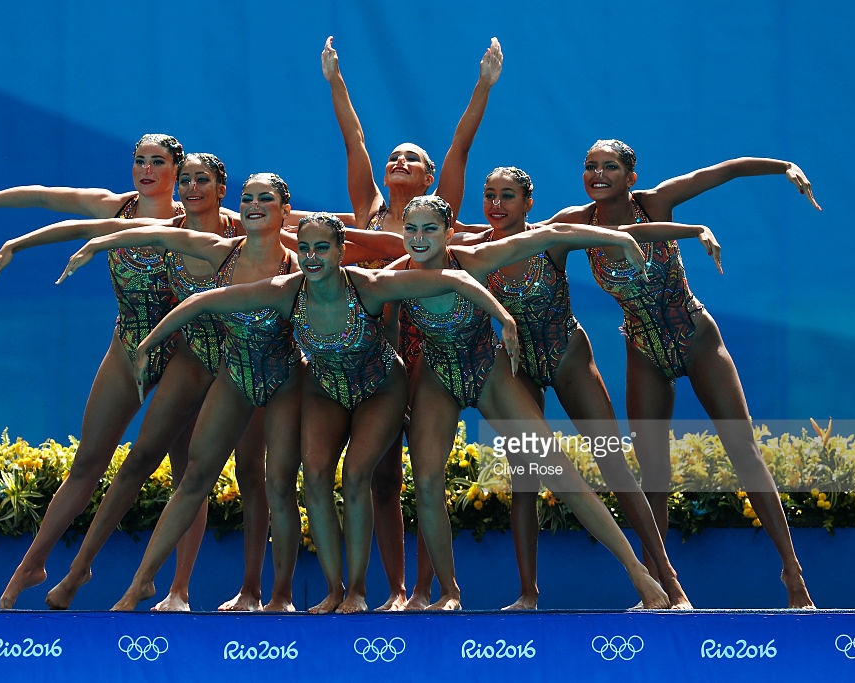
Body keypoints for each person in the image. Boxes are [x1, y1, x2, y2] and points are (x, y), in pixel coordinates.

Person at [545, 139, 820, 608]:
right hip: (643, 348)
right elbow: (514, 237)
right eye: (590, 166)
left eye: (610, 166)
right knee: (653, 472)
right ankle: (661, 586)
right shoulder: (577, 222)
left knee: (744, 452)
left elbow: (728, 167)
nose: (598, 174)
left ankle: (792, 573)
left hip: (695, 338)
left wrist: (785, 166)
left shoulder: (656, 202)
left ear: (631, 177)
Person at [377, 194, 685, 610]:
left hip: (488, 370)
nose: (418, 237)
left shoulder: (474, 258)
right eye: (410, 229)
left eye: (429, 228)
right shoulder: (395, 277)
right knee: (428, 483)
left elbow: (554, 234)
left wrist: (621, 240)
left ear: (449, 233)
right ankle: (448, 591)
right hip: (437, 377)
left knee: (557, 471)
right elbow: (378, 325)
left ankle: (638, 571)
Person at [0, 134, 222, 611]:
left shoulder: (196, 220)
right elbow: (46, 196)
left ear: (177, 170)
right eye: (139, 160)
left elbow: (282, 222)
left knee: (188, 473)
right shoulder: (117, 207)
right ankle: (35, 561)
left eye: (157, 162)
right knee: (87, 462)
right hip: (128, 347)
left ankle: (178, 589)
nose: (146, 169)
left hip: (184, 357)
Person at [62, 173, 304, 612]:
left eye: (265, 198)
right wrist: (83, 246)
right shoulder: (220, 251)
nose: (253, 204)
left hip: (281, 380)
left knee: (270, 481)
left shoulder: (300, 264)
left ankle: (271, 594)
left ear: (285, 210)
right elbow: (193, 299)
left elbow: (356, 273)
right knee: (194, 474)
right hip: (235, 373)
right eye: (248, 197)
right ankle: (140, 585)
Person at [320, 35, 502, 610]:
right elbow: (355, 138)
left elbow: (460, 147)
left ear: (428, 183)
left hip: (426, 355)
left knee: (427, 476)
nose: (399, 163)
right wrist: (335, 82)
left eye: (412, 160)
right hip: (371, 357)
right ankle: (396, 589)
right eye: (395, 158)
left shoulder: (436, 214)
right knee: (379, 478)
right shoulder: (366, 209)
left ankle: (429, 587)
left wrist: (483, 86)